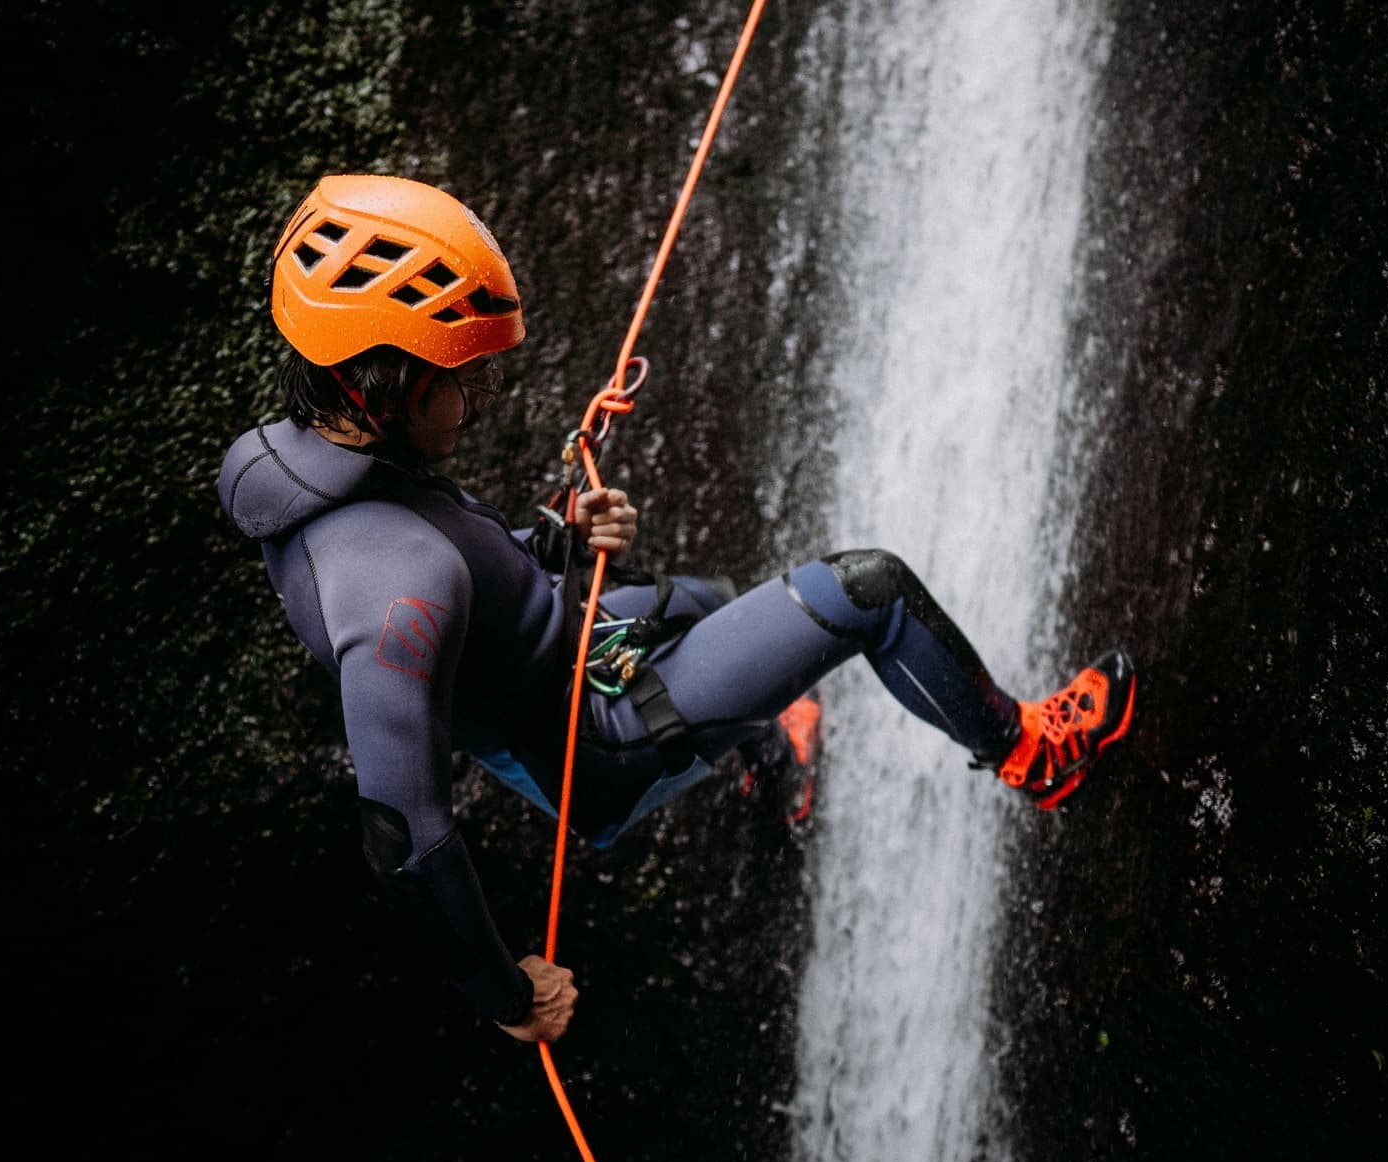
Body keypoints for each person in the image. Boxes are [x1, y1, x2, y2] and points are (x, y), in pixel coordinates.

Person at [217, 174, 1136, 1045]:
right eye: (468, 382)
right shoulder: (395, 597)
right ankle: (1029, 752)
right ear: (388, 383)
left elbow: (461, 571)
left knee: (709, 603)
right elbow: (402, 836)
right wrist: (505, 994)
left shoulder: (289, 463)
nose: (484, 400)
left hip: (554, 662)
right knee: (869, 592)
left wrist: (559, 538)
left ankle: (773, 756)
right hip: (598, 737)